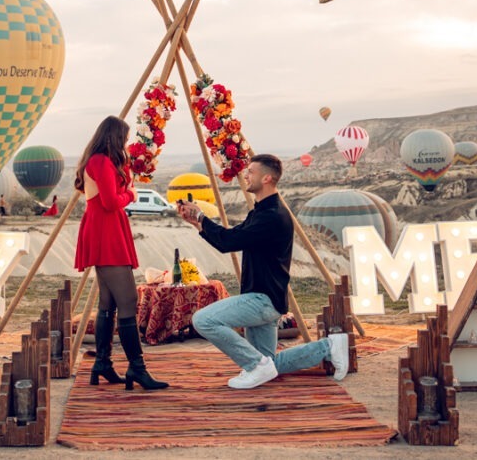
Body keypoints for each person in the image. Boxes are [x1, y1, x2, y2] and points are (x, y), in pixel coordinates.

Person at [177, 154, 348, 389]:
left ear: (267, 178)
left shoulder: (271, 216)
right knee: (271, 362)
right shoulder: (263, 211)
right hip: (267, 298)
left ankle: (256, 366)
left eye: (251, 172)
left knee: (203, 320)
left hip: (261, 299)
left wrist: (201, 217)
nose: (246, 175)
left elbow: (229, 242)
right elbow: (229, 239)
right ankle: (330, 346)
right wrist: (198, 223)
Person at [73, 115, 167, 391]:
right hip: (106, 230)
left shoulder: (101, 161)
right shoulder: (100, 161)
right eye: (124, 139)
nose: (126, 143)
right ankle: (137, 368)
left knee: (109, 303)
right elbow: (111, 201)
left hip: (106, 227)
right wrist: (131, 195)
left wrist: (125, 178)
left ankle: (103, 363)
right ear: (114, 137)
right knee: (127, 302)